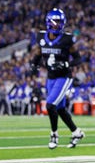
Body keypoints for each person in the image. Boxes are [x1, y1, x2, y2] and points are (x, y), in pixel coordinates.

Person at [29, 8, 85, 149]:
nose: (57, 25)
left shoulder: (66, 39)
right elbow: (38, 53)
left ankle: (54, 134)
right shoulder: (41, 37)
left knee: (50, 105)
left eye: (59, 22)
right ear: (49, 22)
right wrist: (34, 64)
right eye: (55, 22)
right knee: (60, 109)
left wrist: (66, 63)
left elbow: (78, 59)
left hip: (64, 77)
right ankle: (76, 132)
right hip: (51, 77)